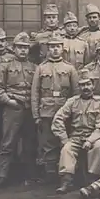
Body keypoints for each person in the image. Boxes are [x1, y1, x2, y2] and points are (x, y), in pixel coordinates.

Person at [31, 33, 79, 183]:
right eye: (52, 47)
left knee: (65, 143)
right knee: (48, 144)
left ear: (62, 48)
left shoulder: (70, 69)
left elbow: (76, 93)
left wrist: (75, 114)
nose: (55, 50)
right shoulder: (41, 68)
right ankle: (50, 175)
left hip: (65, 112)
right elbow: (35, 93)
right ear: (47, 49)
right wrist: (36, 115)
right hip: (46, 112)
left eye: (58, 46)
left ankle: (66, 175)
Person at [0, 32, 37, 188]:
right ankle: (2, 176)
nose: (23, 51)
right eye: (19, 47)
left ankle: (29, 177)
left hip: (29, 109)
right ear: (14, 48)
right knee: (7, 143)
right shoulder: (5, 66)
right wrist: (9, 101)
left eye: (25, 48)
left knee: (29, 144)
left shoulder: (34, 67)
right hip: (12, 108)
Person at [51, 69, 100, 193]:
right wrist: (64, 138)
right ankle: (67, 181)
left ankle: (93, 179)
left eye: (88, 84)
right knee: (67, 149)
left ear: (93, 85)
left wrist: (90, 140)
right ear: (79, 86)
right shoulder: (72, 102)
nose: (85, 87)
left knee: (98, 147)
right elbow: (58, 119)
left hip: (93, 136)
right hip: (76, 136)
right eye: (82, 85)